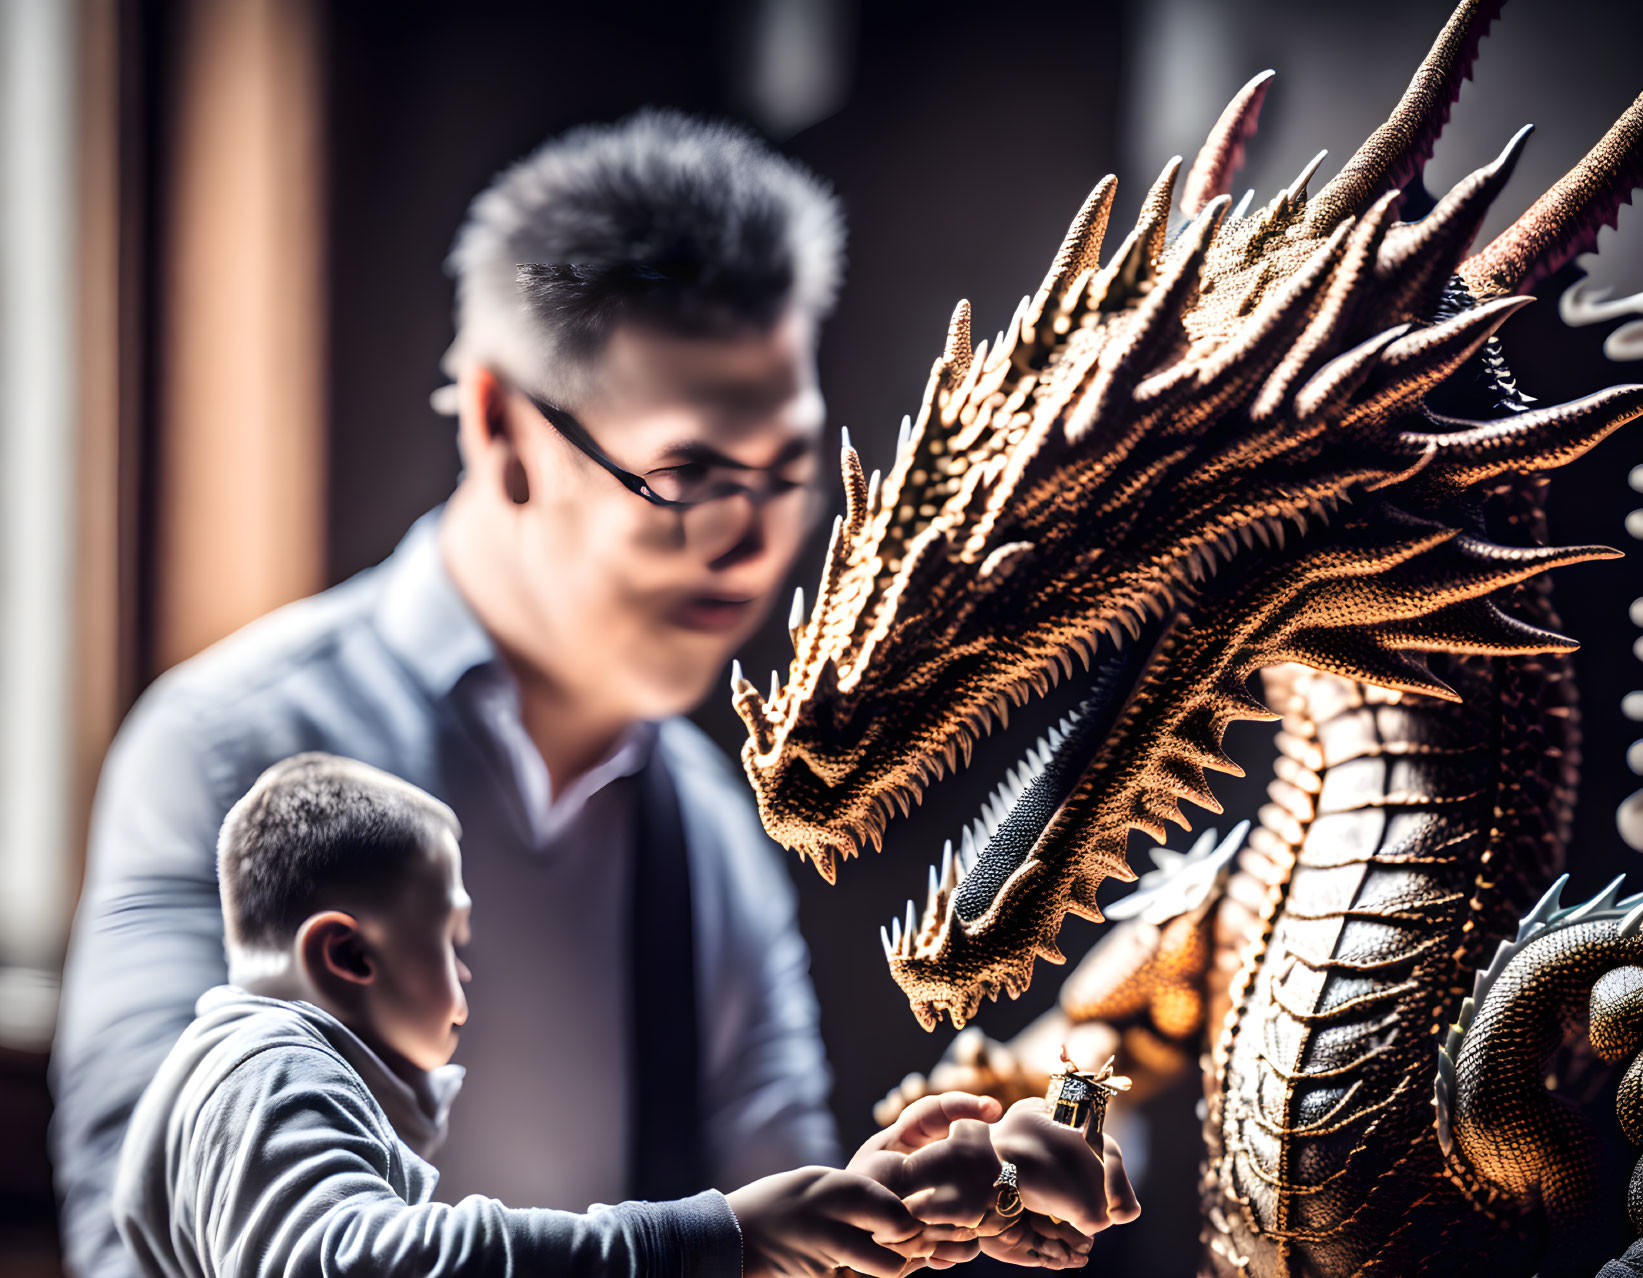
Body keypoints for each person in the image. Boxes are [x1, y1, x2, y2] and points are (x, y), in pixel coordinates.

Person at [50, 107, 1123, 1278]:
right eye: (688, 475)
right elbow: (144, 1248)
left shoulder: (708, 824)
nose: (750, 545)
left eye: (790, 475)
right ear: (502, 424)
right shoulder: (225, 751)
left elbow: (780, 1214)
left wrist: (921, 1201)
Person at [113, 753, 1137, 1278]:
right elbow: (364, 1266)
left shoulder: (261, 1085)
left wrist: (847, 1213)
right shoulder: (272, 1071)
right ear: (346, 954)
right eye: (455, 946)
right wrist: (718, 1238)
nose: (472, 983)